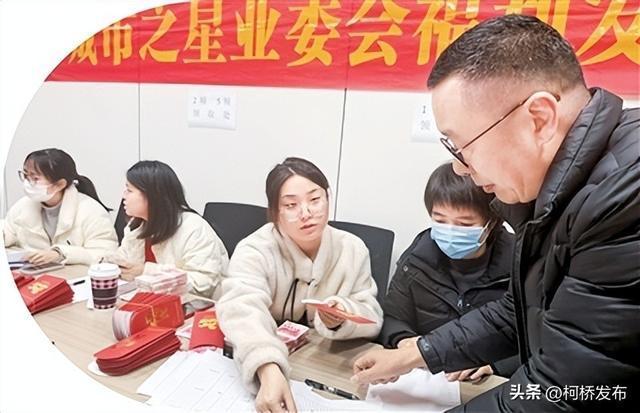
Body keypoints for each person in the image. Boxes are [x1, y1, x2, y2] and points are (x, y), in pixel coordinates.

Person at [352, 14, 639, 412]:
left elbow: (561, 392)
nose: (459, 168)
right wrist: (416, 353)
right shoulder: (561, 192)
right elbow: (517, 311)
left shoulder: (624, 197)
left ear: (539, 119)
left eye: (461, 145)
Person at [217, 157, 383, 413]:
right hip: (274, 359)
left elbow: (371, 315)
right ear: (275, 211)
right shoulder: (255, 249)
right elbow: (240, 308)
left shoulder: (352, 248)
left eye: (315, 200)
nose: (306, 213)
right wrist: (267, 366)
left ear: (327, 198)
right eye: (291, 205)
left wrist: (341, 316)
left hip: (331, 368)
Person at [378, 162, 518, 382]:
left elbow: (542, 339)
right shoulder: (417, 258)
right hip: (429, 379)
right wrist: (406, 343)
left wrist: (495, 365)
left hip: (491, 383)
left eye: (464, 224)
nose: (451, 231)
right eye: (440, 220)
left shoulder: (520, 260)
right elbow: (392, 316)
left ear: (491, 223)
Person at [106, 160, 228, 298]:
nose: (123, 196)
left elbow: (204, 283)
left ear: (152, 194)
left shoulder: (194, 228)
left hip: (195, 305)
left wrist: (146, 272)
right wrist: (114, 266)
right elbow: (125, 261)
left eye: (129, 190)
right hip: (149, 301)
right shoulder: (136, 225)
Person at [3, 148, 117, 265]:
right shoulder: (24, 205)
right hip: (34, 272)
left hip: (76, 274)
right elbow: (8, 231)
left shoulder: (92, 211)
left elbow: (105, 254)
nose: (27, 183)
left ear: (59, 184)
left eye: (35, 178)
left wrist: (60, 254)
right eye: (26, 176)